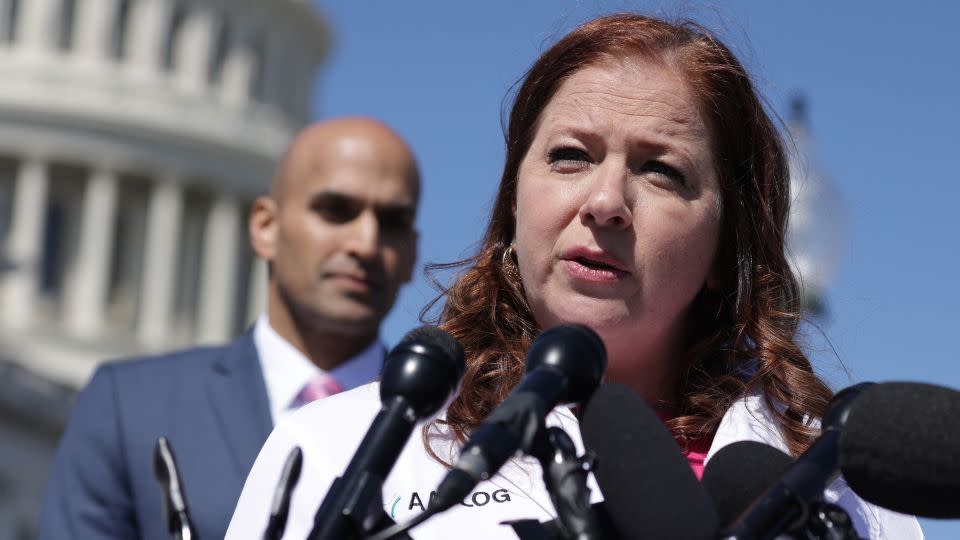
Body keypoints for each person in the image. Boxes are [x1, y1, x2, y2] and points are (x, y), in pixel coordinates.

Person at [226, 14, 923, 540]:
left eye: (661, 171)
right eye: (570, 156)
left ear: (726, 251)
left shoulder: (848, 495)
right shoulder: (335, 451)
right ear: (512, 207)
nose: (605, 203)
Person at [38, 117, 421, 540]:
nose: (365, 243)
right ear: (265, 227)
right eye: (335, 211)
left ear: (412, 254)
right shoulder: (128, 406)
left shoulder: (453, 429)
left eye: (392, 221)